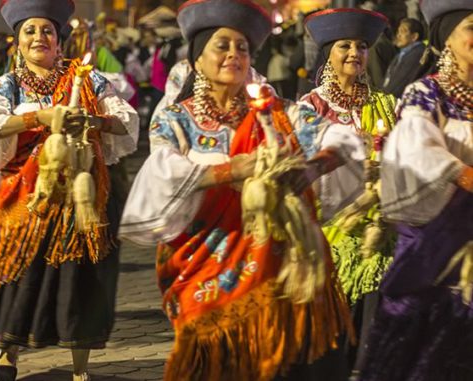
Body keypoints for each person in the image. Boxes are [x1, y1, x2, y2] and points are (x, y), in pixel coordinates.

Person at [120, 1, 353, 380]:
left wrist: (312, 167)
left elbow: (342, 139)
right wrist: (233, 170)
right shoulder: (176, 118)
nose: (233, 54)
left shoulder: (275, 112)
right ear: (197, 60)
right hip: (204, 264)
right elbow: (164, 174)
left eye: (242, 47)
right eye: (222, 45)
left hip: (275, 266)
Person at [0, 1, 139, 381]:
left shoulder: (88, 79)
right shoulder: (7, 85)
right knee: (19, 273)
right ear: (17, 42)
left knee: (81, 277)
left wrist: (93, 119)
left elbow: (125, 120)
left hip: (80, 195)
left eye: (47, 30)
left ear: (59, 40)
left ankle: (80, 369)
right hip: (26, 195)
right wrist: (39, 117)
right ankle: (8, 349)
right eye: (30, 31)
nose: (39, 37)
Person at [359, 1, 473, 380]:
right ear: (447, 39)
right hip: (439, 248)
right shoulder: (426, 93)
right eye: (472, 27)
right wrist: (464, 175)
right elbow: (416, 153)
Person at [298, 8, 398, 374]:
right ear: (328, 55)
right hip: (331, 223)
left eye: (360, 46)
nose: (354, 53)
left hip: (382, 223)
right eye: (344, 46)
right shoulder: (311, 108)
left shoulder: (386, 104)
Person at [382, 18, 426, 98]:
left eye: (403, 31)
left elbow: (400, 82)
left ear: (414, 36)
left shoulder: (417, 53)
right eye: (398, 31)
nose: (398, 35)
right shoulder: (403, 53)